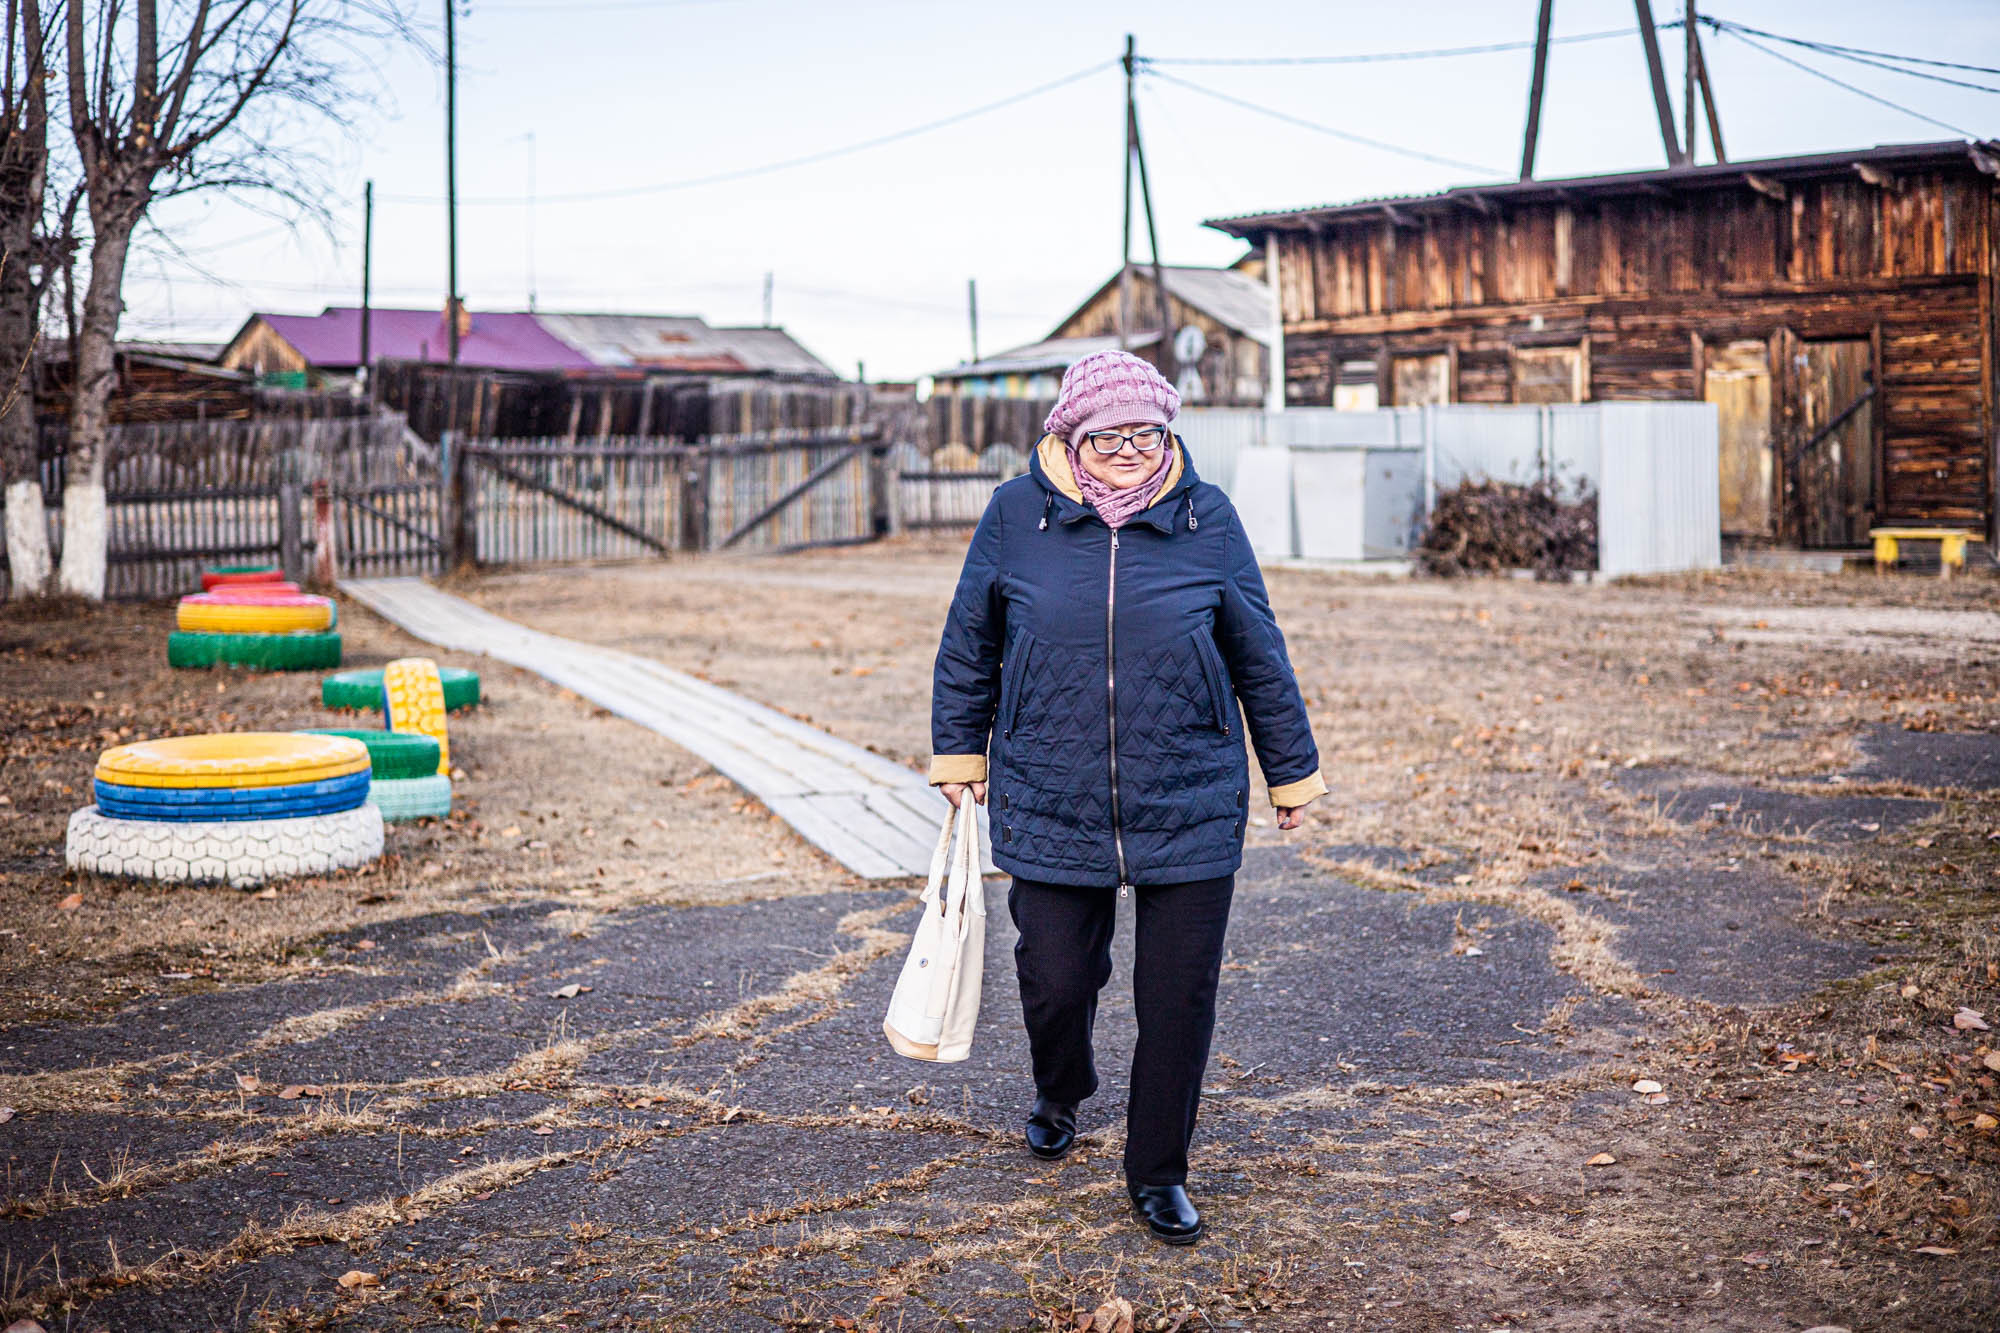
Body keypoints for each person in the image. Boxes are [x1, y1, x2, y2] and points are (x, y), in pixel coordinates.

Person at [927, 349, 1326, 1245]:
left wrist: (1289, 771)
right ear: (1070, 434)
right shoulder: (1013, 514)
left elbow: (1259, 651)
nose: (1130, 450)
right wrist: (960, 752)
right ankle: (1059, 1088)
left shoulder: (1206, 518)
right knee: (1056, 978)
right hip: (1049, 786)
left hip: (1188, 789)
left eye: (1147, 433)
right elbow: (969, 641)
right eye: (1109, 435)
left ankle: (1158, 1170)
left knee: (1178, 995)